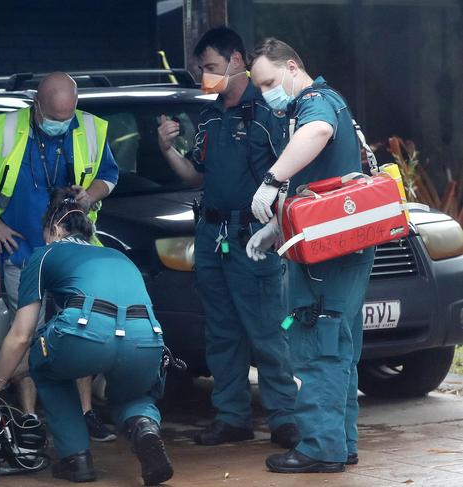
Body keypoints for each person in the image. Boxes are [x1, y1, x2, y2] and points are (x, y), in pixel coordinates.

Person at [157, 27, 299, 448]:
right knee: (221, 332)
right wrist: (167, 149)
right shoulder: (210, 115)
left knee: (268, 330)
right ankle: (232, 416)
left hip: (253, 235)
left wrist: (276, 228)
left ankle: (285, 419)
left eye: (212, 67)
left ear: (237, 60)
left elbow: (290, 174)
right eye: (202, 68)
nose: (205, 75)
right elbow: (195, 175)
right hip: (211, 231)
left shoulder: (269, 112)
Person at [0, 72, 119, 441]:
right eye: (54, 118)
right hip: (23, 251)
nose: (62, 125)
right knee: (26, 333)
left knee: (77, 330)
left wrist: (91, 195)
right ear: (37, 105)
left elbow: (110, 175)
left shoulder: (90, 128)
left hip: (73, 253)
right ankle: (30, 415)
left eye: (68, 118)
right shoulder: (4, 130)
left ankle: (86, 412)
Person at [0, 187, 173, 485]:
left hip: (87, 331)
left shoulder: (45, 254)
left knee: (43, 365)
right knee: (133, 393)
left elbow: (22, 334)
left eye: (46, 233)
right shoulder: (117, 256)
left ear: (55, 229)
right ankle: (144, 426)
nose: (45, 239)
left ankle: (76, 458)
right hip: (146, 338)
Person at [247, 38, 375, 473]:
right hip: (339, 246)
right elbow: (320, 186)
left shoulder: (315, 103)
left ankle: (320, 448)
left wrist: (271, 178)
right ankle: (342, 442)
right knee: (340, 346)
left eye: (268, 81)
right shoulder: (330, 102)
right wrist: (274, 228)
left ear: (292, 67)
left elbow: (317, 134)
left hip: (327, 257)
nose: (266, 92)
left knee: (319, 346)